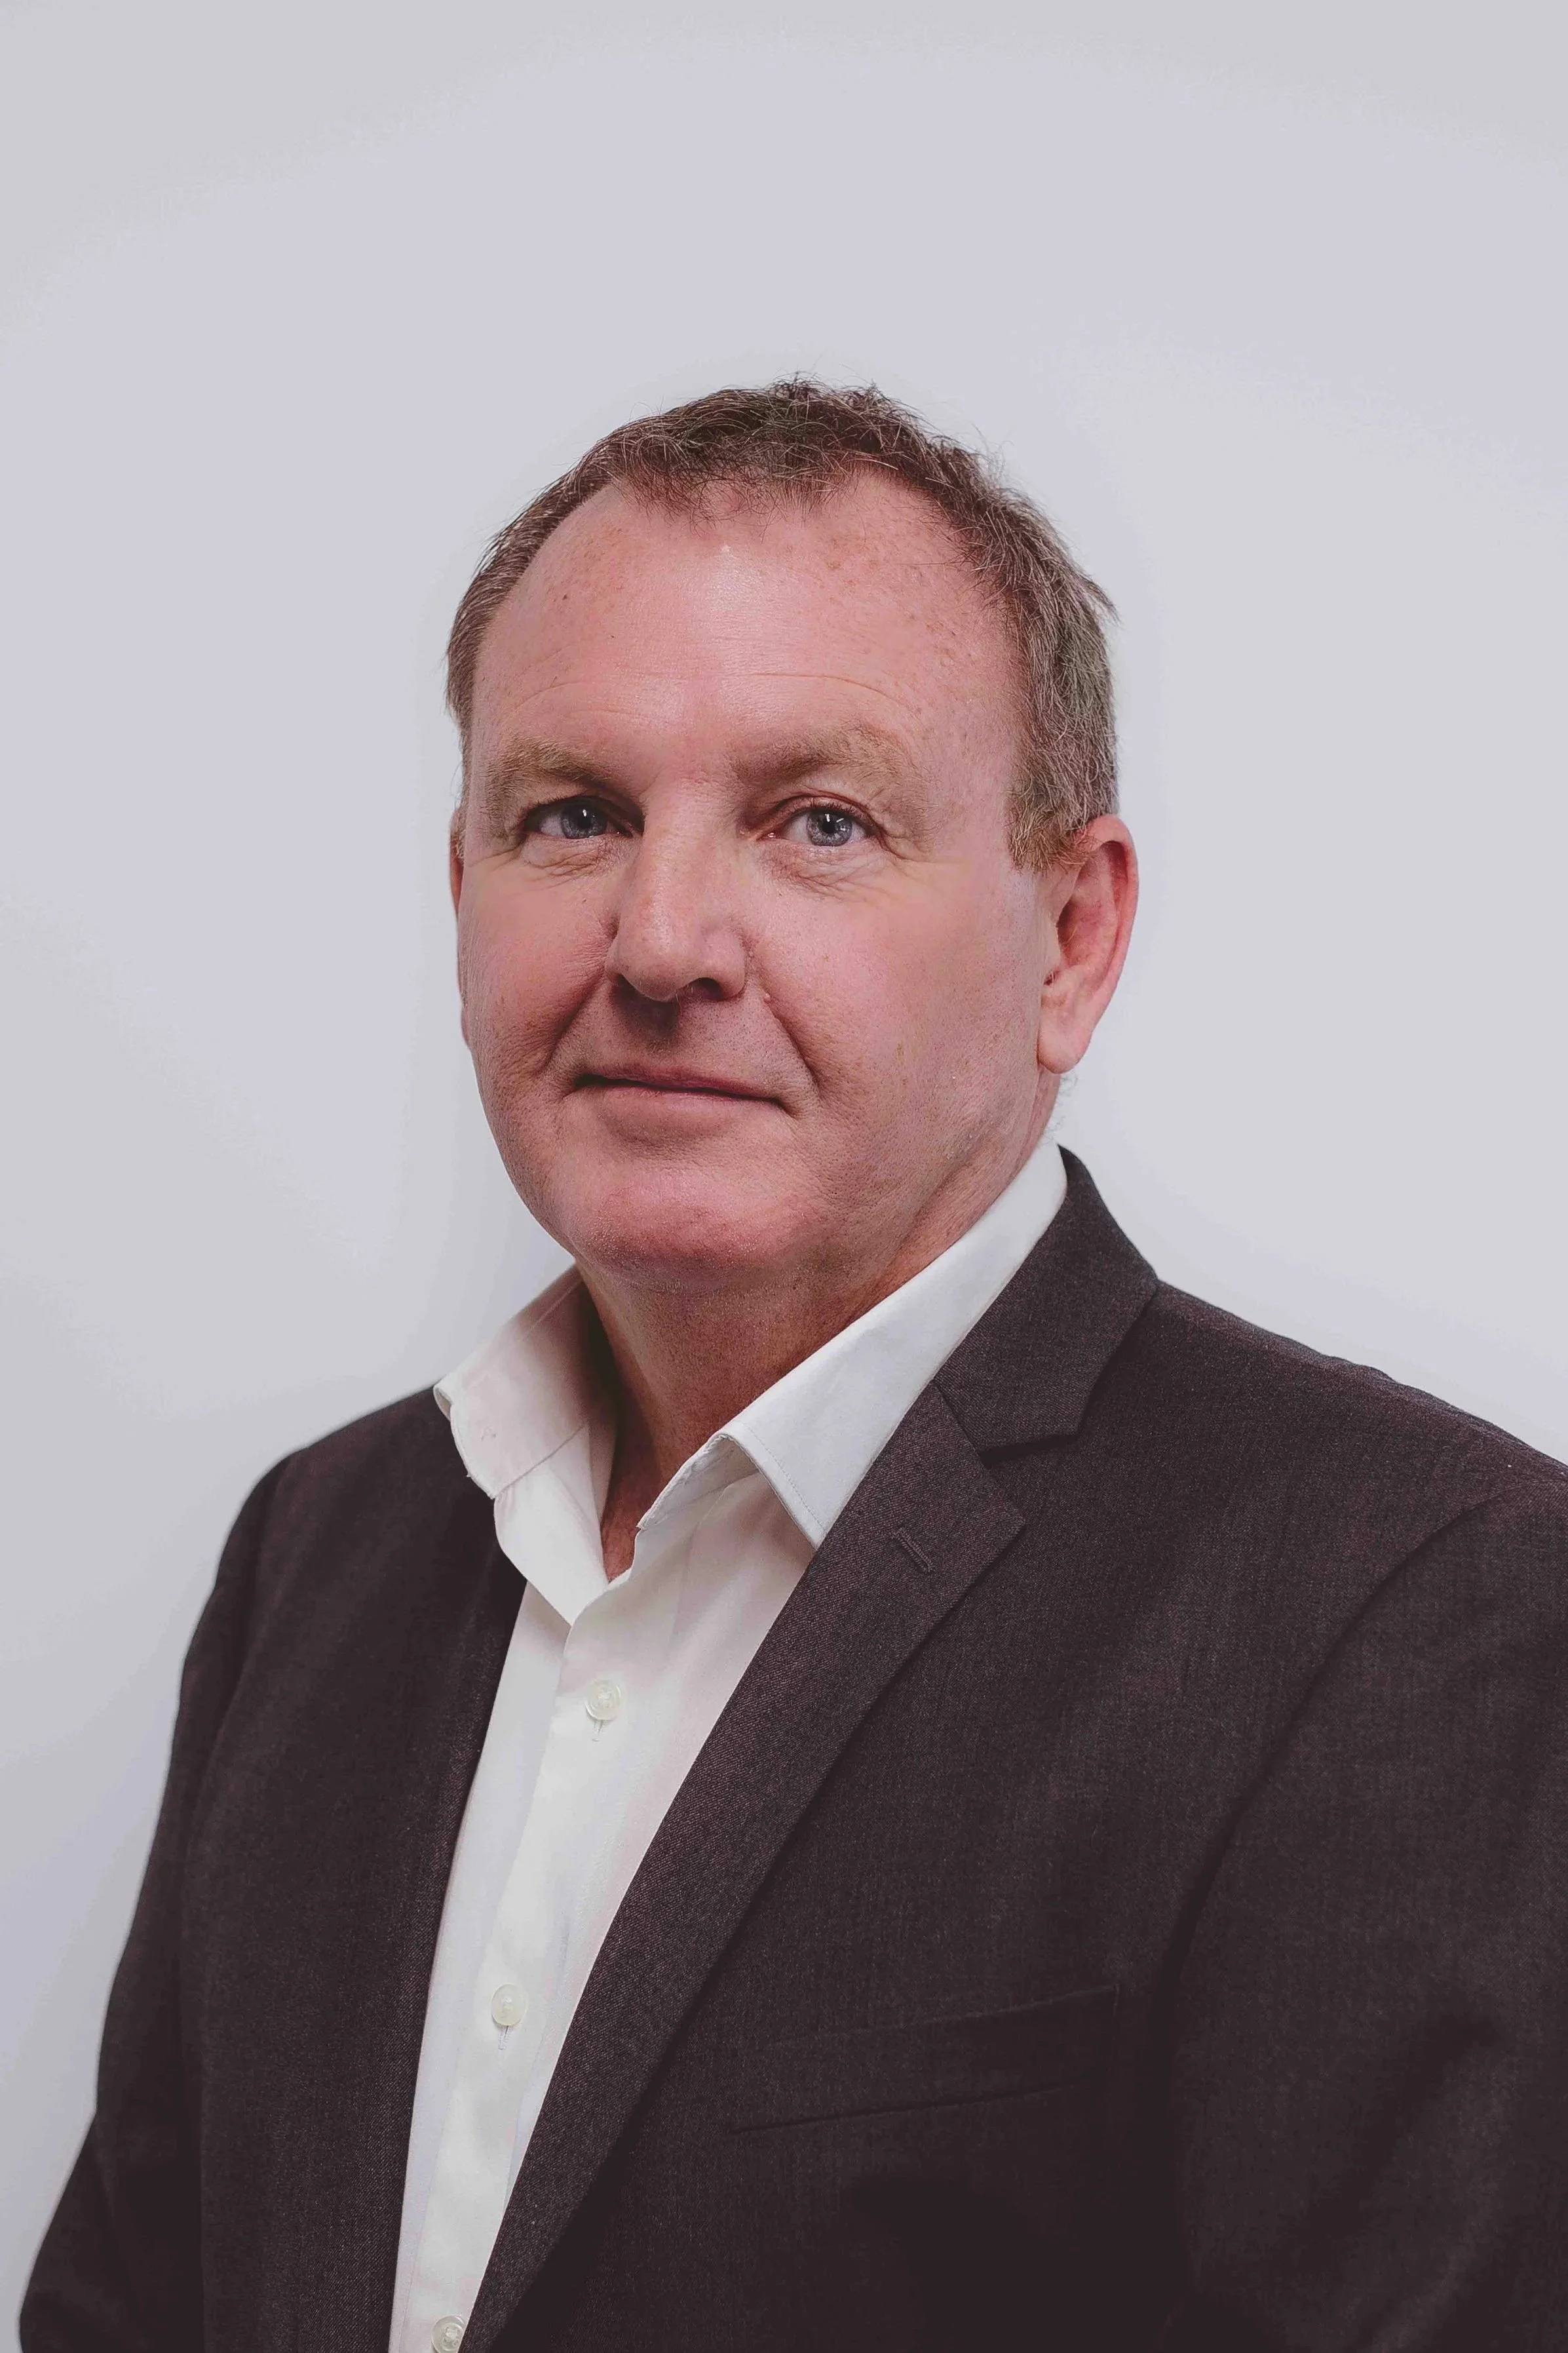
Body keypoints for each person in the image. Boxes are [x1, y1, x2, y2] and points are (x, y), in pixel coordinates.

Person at [22, 379, 1568, 2353]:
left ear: (1072, 939)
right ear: (460, 887)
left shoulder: (1417, 1611)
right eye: (574, 815)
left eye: (819, 822)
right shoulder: (321, 1551)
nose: (663, 939)